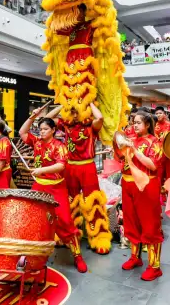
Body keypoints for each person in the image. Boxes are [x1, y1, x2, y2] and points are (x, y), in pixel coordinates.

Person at [19, 114, 88, 273]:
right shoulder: (36, 142)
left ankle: (77, 255)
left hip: (56, 188)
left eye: (45, 129)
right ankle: (36, 254)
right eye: (40, 129)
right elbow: (22, 132)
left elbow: (61, 166)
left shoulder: (59, 146)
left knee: (64, 220)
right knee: (36, 220)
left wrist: (41, 170)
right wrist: (31, 117)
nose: (41, 132)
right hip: (39, 186)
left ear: (53, 130)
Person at [47, 103, 112, 254]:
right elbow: (47, 119)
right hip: (70, 167)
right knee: (69, 201)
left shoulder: (91, 126)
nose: (75, 115)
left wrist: (88, 101)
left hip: (87, 167)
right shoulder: (66, 125)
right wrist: (63, 104)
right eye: (73, 112)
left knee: (94, 201)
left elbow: (100, 117)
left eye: (78, 111)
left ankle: (99, 237)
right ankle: (68, 235)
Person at [120, 111, 164, 281]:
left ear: (147, 125)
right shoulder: (131, 139)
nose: (134, 125)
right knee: (131, 221)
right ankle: (135, 257)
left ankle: (154, 266)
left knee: (150, 224)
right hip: (127, 183)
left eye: (138, 122)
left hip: (146, 185)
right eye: (133, 122)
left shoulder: (155, 142)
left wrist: (134, 150)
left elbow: (152, 165)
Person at [154, 106, 170, 199]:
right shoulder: (154, 124)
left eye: (160, 113)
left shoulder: (169, 125)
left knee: (169, 174)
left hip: (168, 153)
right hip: (158, 154)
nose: (158, 115)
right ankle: (160, 197)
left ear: (164, 114)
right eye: (156, 113)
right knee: (159, 175)